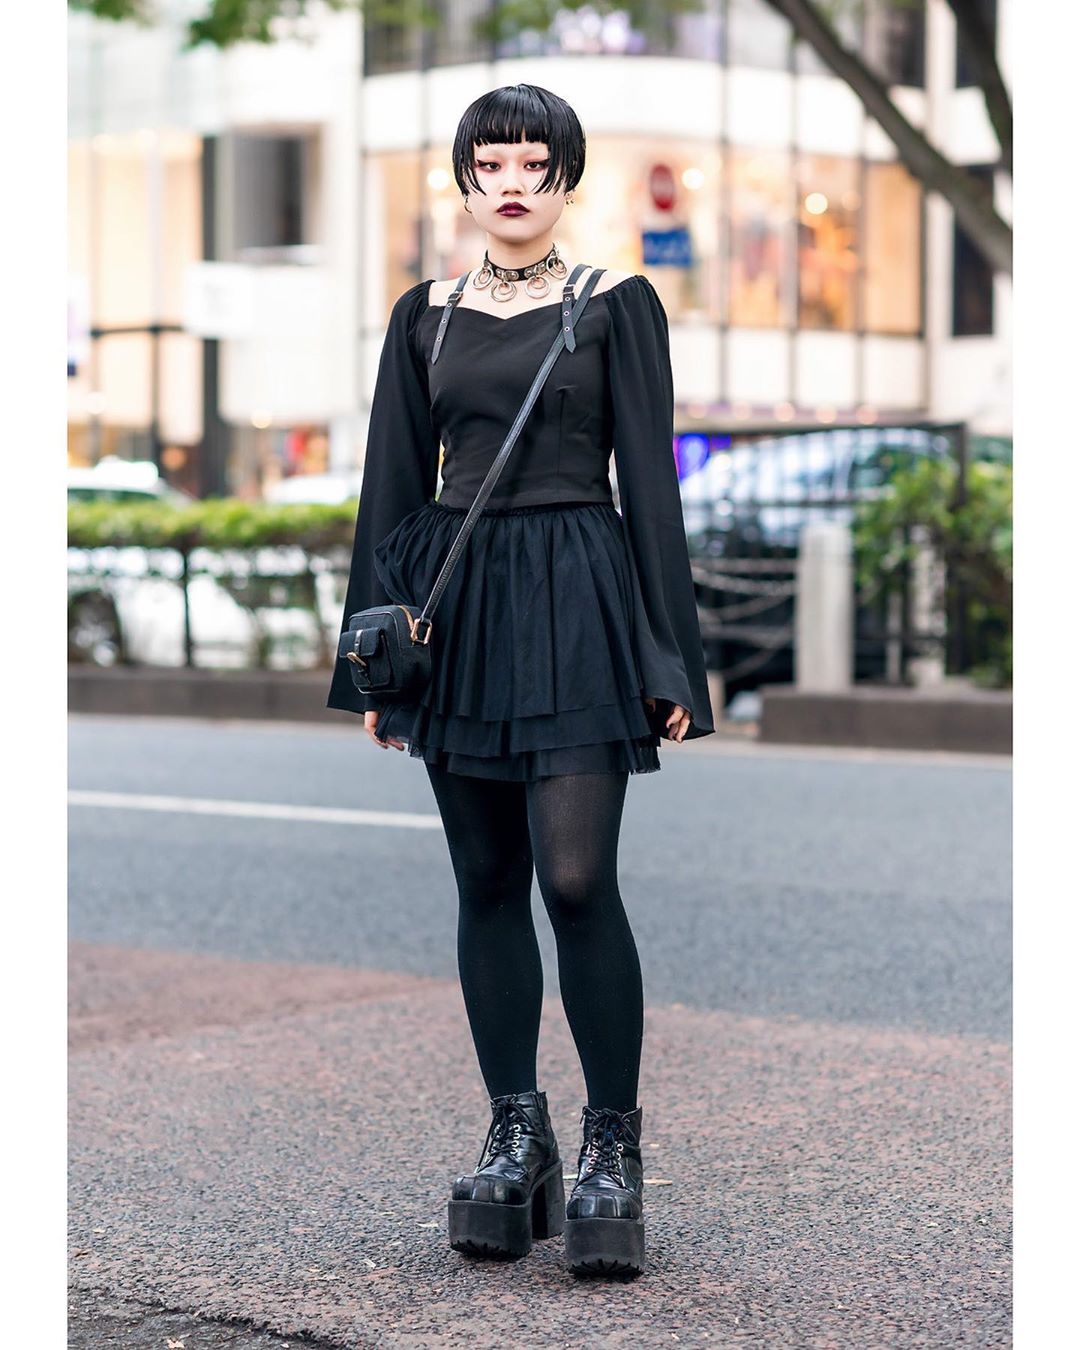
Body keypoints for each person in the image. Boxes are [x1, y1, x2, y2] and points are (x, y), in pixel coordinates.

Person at [327, 83, 715, 1278]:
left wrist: (669, 653)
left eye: (532, 163)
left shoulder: (615, 306)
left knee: (576, 875)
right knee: (487, 877)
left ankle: (611, 1146)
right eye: (489, 161)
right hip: (464, 607)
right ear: (465, 178)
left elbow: (648, 484)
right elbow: (392, 491)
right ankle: (515, 1132)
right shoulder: (424, 318)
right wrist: (375, 663)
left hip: (583, 594)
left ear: (563, 179)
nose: (509, 180)